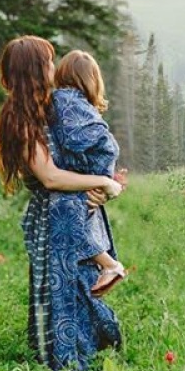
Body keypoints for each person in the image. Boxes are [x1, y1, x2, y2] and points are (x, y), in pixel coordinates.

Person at [0, 35, 123, 371]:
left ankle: (90, 355)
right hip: (52, 218)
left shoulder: (47, 108)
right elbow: (49, 176)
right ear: (35, 70)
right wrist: (102, 182)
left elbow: (78, 152)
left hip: (71, 212)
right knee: (61, 295)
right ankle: (67, 370)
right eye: (49, 62)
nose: (55, 68)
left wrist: (99, 184)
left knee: (80, 287)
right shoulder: (20, 119)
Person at [51, 50, 127, 297]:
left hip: (79, 177)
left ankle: (110, 265)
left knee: (70, 223)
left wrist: (100, 180)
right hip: (87, 177)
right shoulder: (77, 103)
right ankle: (106, 267)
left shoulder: (64, 100)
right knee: (80, 226)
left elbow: (86, 139)